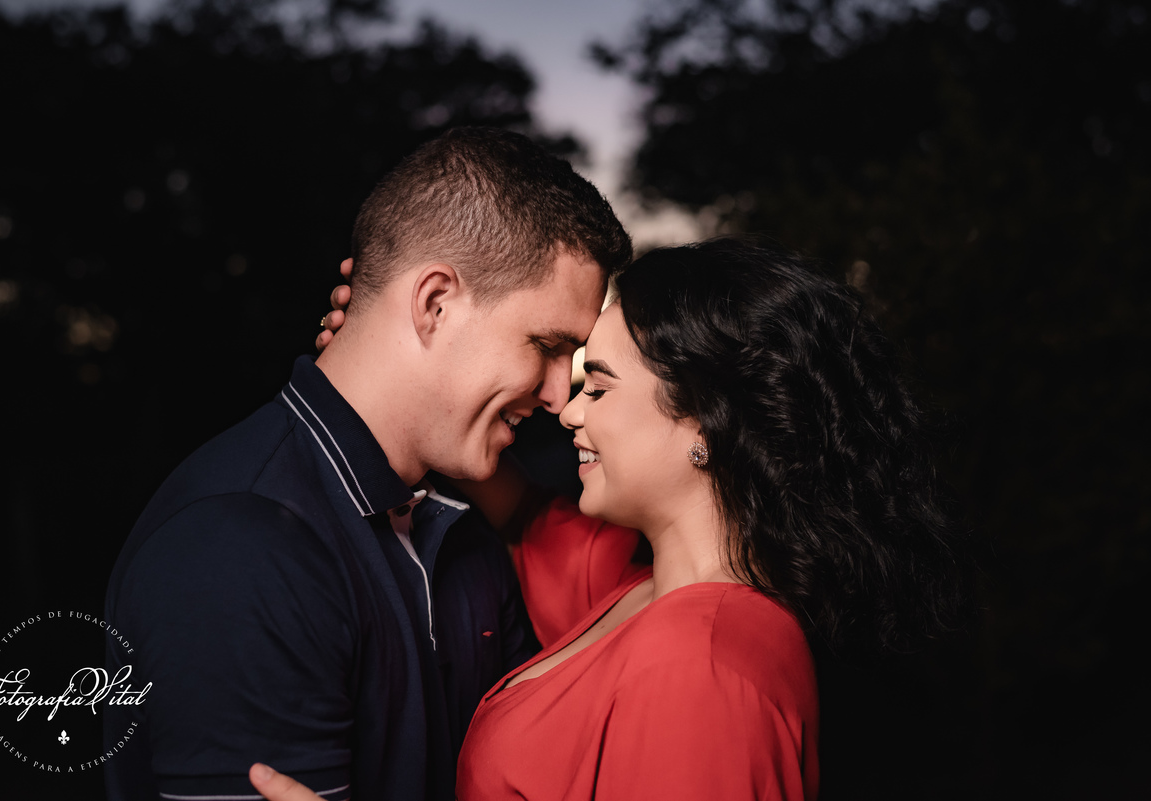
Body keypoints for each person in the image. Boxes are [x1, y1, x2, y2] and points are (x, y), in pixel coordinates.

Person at [258, 237, 971, 800]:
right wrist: (403, 372)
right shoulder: (641, 589)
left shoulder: (701, 673)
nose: (568, 411)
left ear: (705, 423)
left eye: (596, 386)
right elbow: (528, 516)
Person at [103, 127, 632, 801]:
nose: (561, 394)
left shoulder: (465, 536)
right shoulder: (239, 547)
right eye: (547, 344)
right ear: (435, 303)